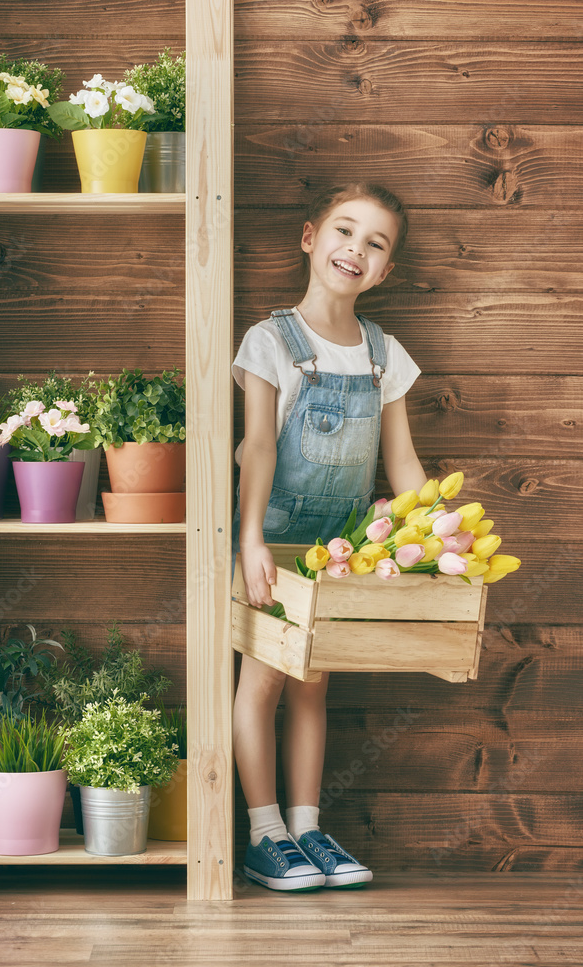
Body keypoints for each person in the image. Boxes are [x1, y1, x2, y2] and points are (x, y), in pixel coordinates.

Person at [231, 181, 428, 891]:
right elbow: (255, 449)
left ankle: (307, 828)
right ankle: (263, 834)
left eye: (375, 244)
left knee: (312, 684)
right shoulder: (270, 339)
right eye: (345, 232)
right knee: (262, 684)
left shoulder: (384, 354)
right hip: (276, 539)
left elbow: (401, 461)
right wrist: (251, 541)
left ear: (385, 272)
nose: (356, 249)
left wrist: (430, 540)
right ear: (311, 237)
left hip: (343, 550)